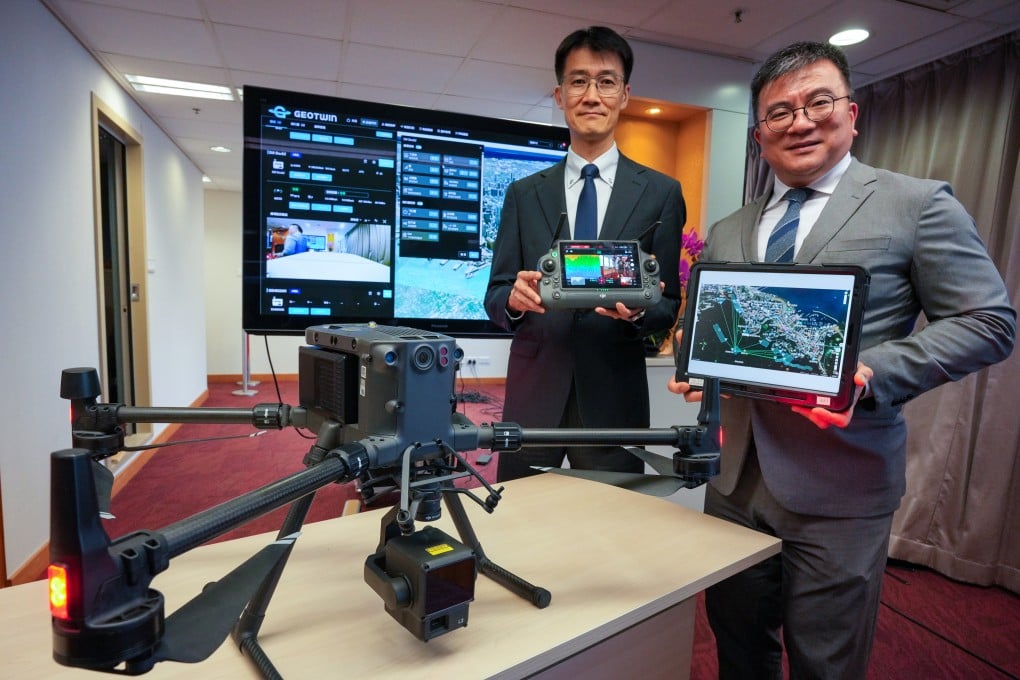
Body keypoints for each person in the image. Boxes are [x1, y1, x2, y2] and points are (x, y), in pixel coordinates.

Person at [668, 41, 1015, 678]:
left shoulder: (917, 205)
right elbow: (711, 324)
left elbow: (989, 322)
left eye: (818, 102)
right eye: (780, 112)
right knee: (738, 648)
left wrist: (871, 374)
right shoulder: (731, 227)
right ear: (759, 134)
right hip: (733, 482)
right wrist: (701, 363)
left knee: (827, 662)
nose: (800, 121)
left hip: (841, 488)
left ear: (851, 113)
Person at [485, 26, 686, 482]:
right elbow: (495, 295)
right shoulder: (523, 193)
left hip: (615, 395)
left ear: (625, 94)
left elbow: (668, 304)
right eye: (578, 81)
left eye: (606, 81)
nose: (591, 95)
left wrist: (639, 312)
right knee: (519, 523)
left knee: (612, 531)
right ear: (559, 95)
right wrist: (514, 302)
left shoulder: (660, 194)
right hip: (534, 396)